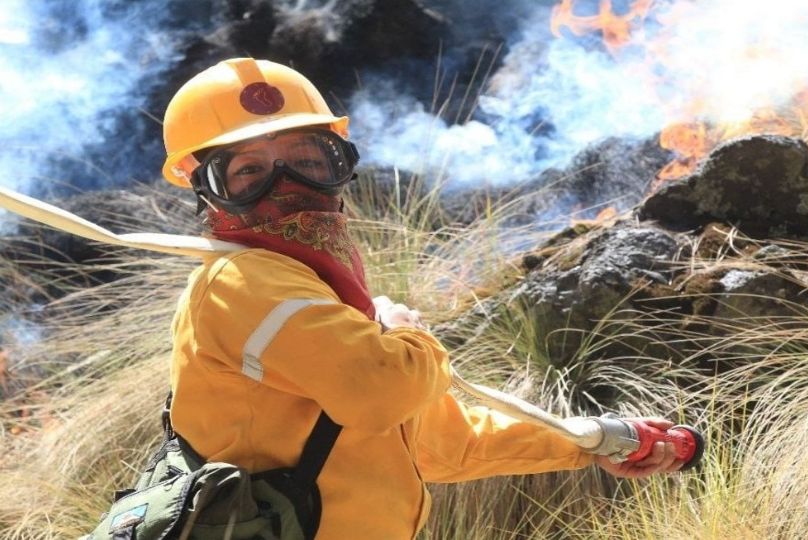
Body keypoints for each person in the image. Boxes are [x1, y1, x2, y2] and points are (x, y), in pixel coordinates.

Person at [160, 57, 684, 539]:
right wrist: (408, 331)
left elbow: (444, 444)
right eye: (248, 171)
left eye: (308, 161)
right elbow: (381, 390)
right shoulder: (242, 283)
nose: (287, 185)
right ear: (205, 190)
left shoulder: (320, 291)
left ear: (340, 166)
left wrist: (593, 440)